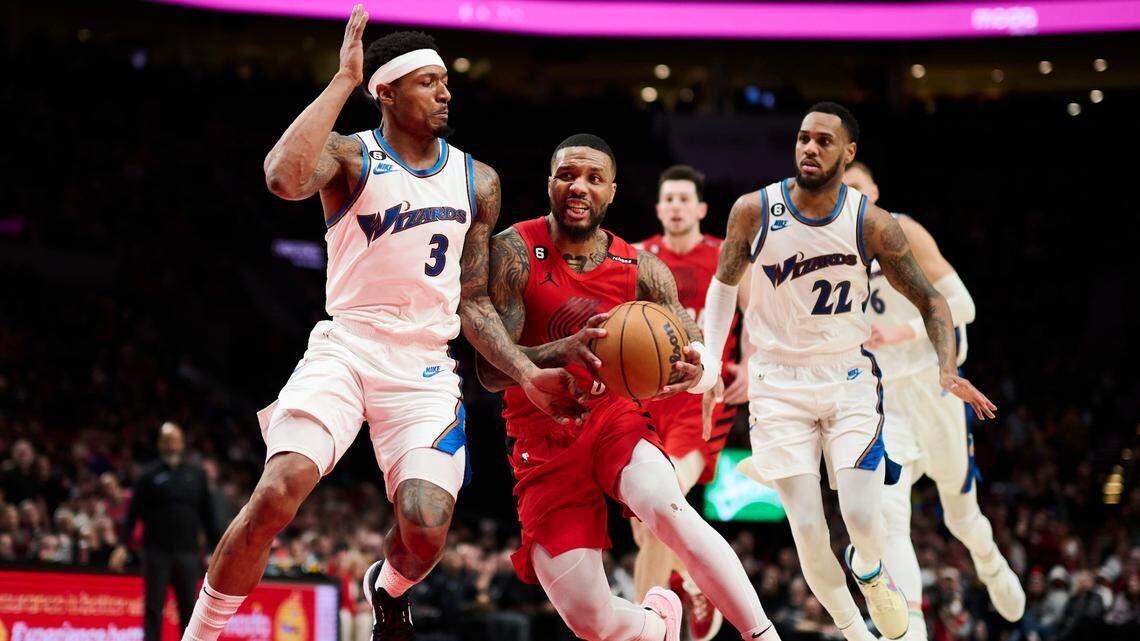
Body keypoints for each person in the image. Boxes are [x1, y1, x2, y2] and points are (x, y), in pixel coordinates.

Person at [180, 7, 582, 641]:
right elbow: (281, 177)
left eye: (445, 81)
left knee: (425, 529)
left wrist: (528, 372)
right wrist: (343, 80)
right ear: (386, 92)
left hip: (424, 366)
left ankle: (387, 587)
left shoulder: (478, 181)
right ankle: (199, 635)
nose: (445, 92)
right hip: (347, 347)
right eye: (428, 81)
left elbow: (474, 302)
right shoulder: (349, 155)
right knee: (278, 491)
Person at [702, 102, 996, 641]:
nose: (810, 148)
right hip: (778, 383)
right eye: (803, 138)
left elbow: (933, 301)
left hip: (847, 377)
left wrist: (946, 368)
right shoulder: (753, 209)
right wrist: (708, 365)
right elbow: (723, 289)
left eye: (824, 141)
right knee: (809, 532)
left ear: (848, 152)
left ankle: (868, 566)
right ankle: (854, 631)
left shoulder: (871, 222)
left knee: (864, 519)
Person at [476, 134, 780, 641]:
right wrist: (562, 350)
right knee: (589, 621)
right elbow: (488, 372)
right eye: (567, 175)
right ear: (550, 183)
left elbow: (694, 340)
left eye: (593, 178)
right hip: (542, 441)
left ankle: (762, 633)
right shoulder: (513, 251)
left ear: (611, 191)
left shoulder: (640, 267)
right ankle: (656, 625)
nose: (579, 186)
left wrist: (698, 370)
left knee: (666, 507)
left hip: (613, 420)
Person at [842, 161, 1025, 639]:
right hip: (885, 400)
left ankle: (990, 562)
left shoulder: (902, 231)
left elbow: (964, 306)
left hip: (935, 386)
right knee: (890, 515)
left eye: (855, 186)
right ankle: (912, 627)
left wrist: (901, 331)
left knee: (961, 517)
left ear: (874, 191)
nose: (848, 196)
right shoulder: (830, 257)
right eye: (839, 190)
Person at [632, 165, 753, 641]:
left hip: (699, 398)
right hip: (644, 399)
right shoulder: (637, 257)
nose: (677, 206)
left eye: (685, 199)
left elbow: (758, 313)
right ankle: (693, 580)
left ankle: (642, 629)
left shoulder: (726, 256)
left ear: (701, 208)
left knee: (660, 506)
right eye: (669, 199)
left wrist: (751, 363)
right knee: (646, 526)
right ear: (658, 209)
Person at [114, 423, 220, 641]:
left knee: (189, 608)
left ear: (182, 443)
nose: (171, 445)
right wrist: (122, 545)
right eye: (166, 440)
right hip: (156, 552)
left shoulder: (196, 475)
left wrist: (214, 549)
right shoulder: (148, 475)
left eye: (175, 440)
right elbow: (132, 514)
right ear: (160, 444)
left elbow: (208, 515)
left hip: (188, 553)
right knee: (153, 607)